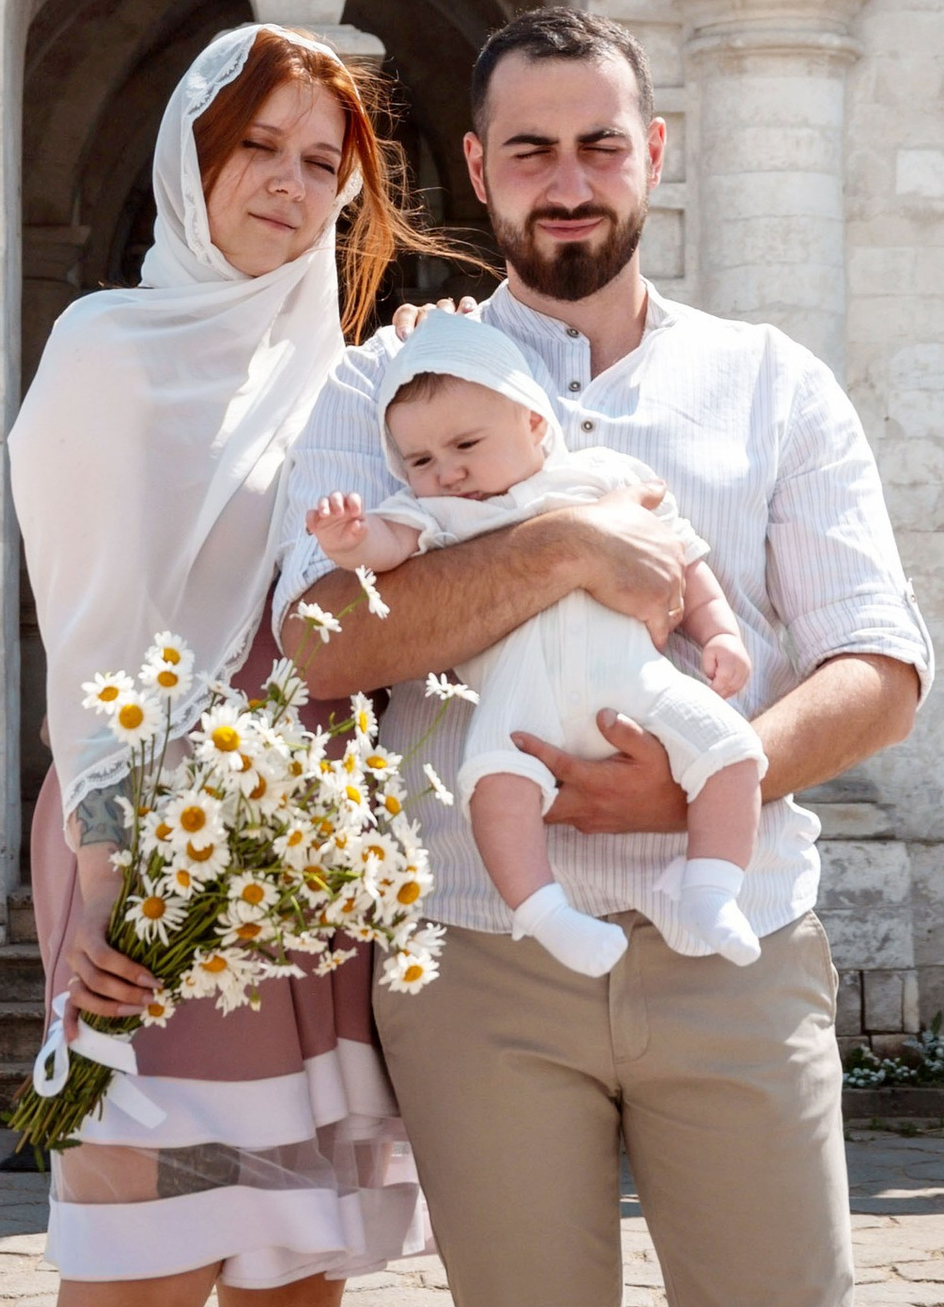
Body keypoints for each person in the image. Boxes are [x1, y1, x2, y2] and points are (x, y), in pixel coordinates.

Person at [280, 6, 931, 1307]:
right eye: (531, 149)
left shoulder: (770, 384)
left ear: (655, 152)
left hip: (736, 943)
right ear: (477, 168)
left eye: (598, 143)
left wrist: (722, 771)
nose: (567, 178)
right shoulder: (382, 388)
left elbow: (880, 662)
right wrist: (565, 547)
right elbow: (322, 640)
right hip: (483, 960)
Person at [0, 23, 437, 1307]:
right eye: (263, 147)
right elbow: (92, 641)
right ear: (194, 155)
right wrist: (95, 896)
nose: (293, 187)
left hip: (310, 864)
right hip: (149, 852)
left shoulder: (346, 371)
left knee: (295, 1296)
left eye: (325, 162)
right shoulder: (108, 346)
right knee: (130, 1299)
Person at [304, 315, 765, 975]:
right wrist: (350, 540)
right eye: (420, 460)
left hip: (637, 681)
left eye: (466, 443)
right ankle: (547, 914)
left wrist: (718, 631)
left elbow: (683, 559)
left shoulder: (600, 477)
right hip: (521, 700)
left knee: (734, 750)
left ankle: (713, 889)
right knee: (494, 787)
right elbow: (387, 545)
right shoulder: (436, 513)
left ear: (534, 423)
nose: (449, 471)